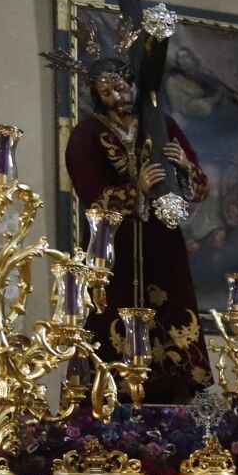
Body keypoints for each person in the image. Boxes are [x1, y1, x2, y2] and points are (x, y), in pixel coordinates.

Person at [63, 54, 212, 402]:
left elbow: (200, 188)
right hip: (112, 252)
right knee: (107, 328)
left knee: (171, 327)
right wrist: (138, 189)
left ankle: (174, 397)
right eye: (107, 91)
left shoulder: (161, 125)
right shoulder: (86, 135)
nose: (118, 96)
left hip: (162, 245)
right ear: (97, 96)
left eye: (122, 87)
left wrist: (185, 166)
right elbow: (93, 199)